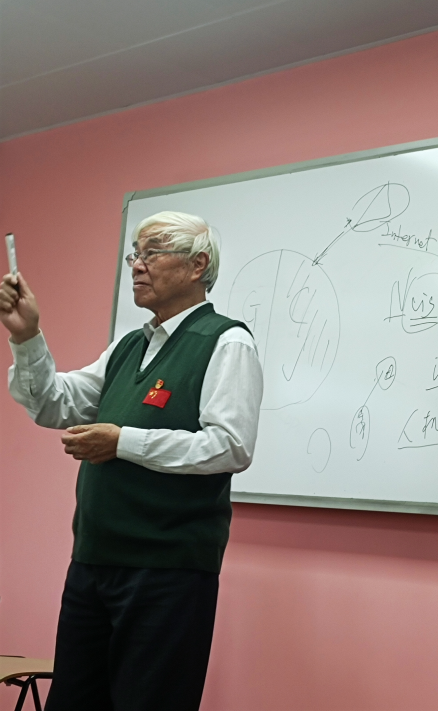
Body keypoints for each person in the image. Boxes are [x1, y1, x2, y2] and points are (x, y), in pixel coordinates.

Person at [1, 212, 264, 711]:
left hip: (167, 571)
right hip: (93, 562)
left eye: (152, 252)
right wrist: (26, 337)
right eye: (135, 254)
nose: (138, 265)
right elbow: (53, 404)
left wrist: (123, 442)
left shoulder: (226, 341)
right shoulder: (129, 346)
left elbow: (230, 445)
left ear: (197, 265)